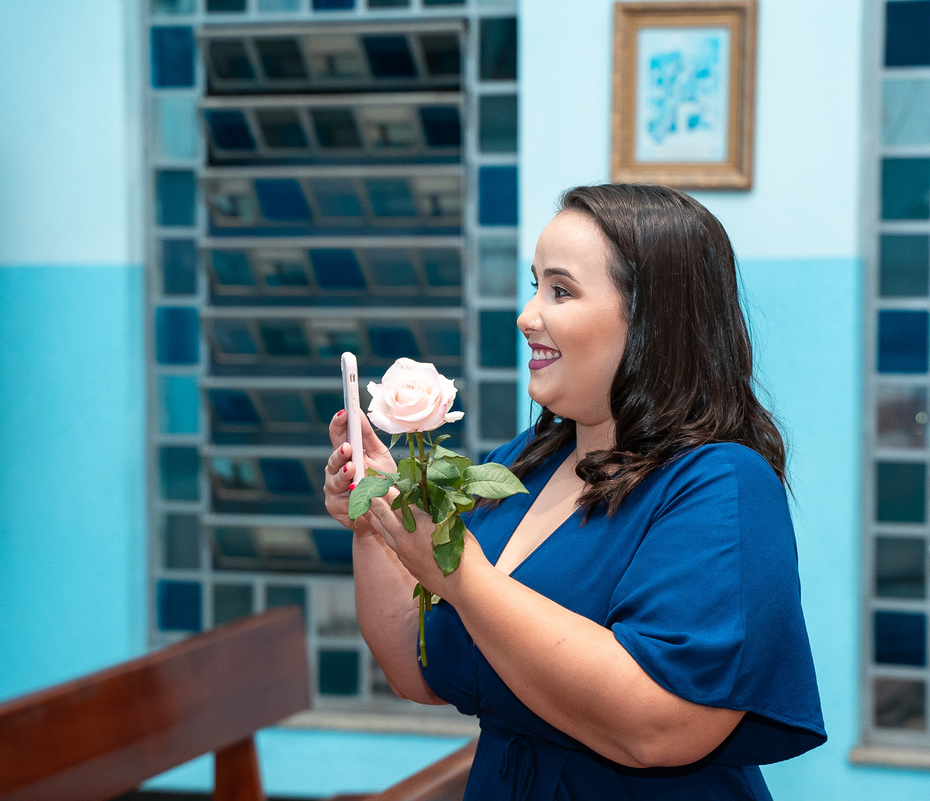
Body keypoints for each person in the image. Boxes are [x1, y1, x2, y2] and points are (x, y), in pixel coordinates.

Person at [324, 183, 826, 800]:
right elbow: (416, 668)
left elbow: (658, 728)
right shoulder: (519, 466)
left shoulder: (720, 486)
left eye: (560, 291)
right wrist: (374, 523)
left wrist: (458, 576)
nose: (528, 315)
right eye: (534, 285)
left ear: (650, 320)